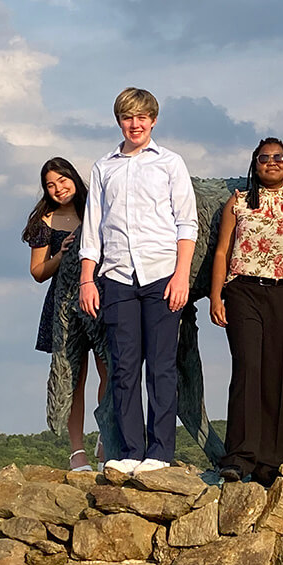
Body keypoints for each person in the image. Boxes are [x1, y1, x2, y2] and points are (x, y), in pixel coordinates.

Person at [79, 87, 198, 476]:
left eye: (142, 117)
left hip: (162, 275)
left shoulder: (170, 163)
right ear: (120, 121)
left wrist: (182, 276)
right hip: (115, 276)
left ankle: (160, 452)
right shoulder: (104, 168)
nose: (136, 124)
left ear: (153, 120)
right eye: (129, 117)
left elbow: (186, 222)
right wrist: (87, 279)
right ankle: (131, 449)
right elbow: (93, 228)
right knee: (124, 367)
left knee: (161, 368)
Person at [209, 137, 283, 486]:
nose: (271, 163)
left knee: (276, 372)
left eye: (278, 157)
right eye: (263, 158)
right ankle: (239, 456)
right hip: (243, 290)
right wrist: (216, 296)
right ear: (254, 164)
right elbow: (222, 250)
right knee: (247, 368)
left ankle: (269, 462)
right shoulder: (239, 202)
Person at [22, 157, 108, 471]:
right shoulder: (45, 220)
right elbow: (37, 271)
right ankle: (77, 452)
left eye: (63, 180)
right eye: (50, 185)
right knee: (73, 377)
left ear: (73, 177)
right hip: (62, 306)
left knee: (109, 371)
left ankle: (106, 437)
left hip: (98, 298)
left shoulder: (96, 208)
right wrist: (62, 253)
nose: (59, 189)